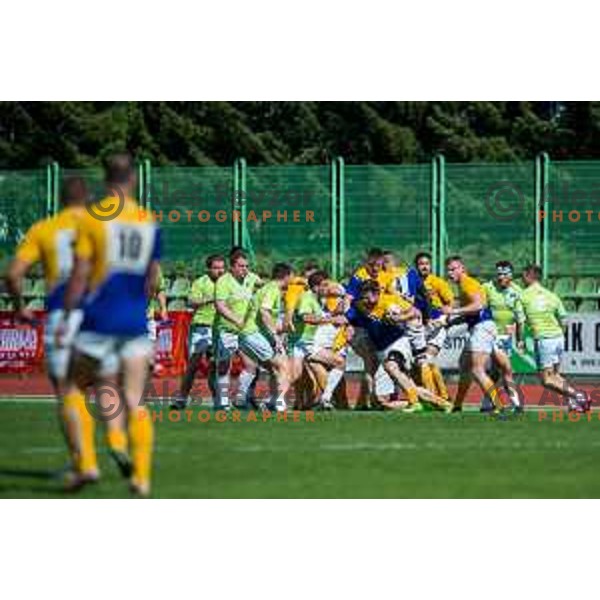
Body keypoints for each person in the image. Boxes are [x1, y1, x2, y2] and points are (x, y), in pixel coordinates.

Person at [59, 154, 161, 496]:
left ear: (106, 181)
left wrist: (67, 316)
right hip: (134, 323)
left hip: (98, 321)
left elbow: (81, 274)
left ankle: (87, 464)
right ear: (133, 179)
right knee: (135, 401)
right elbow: (154, 278)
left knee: (73, 387)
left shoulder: (92, 219)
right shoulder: (148, 220)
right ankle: (142, 478)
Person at [7, 177, 90, 478]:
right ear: (87, 198)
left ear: (61, 199)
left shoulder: (45, 229)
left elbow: (14, 275)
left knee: (67, 391)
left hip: (64, 315)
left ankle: (83, 463)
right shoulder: (103, 226)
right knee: (102, 384)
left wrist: (19, 307)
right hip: (100, 316)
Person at [347, 280, 450, 412]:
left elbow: (415, 312)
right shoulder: (359, 306)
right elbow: (346, 317)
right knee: (409, 383)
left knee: (392, 367)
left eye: (368, 297)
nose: (365, 301)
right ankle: (443, 404)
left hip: (397, 342)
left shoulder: (390, 301)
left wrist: (399, 318)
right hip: (381, 349)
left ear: (377, 294)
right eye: (363, 297)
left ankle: (414, 403)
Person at [520, 264, 588, 412]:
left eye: (523, 275)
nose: (521, 278)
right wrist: (560, 335)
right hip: (558, 337)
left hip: (544, 339)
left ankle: (578, 396)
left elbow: (520, 320)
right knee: (556, 376)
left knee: (546, 380)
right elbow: (564, 319)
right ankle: (573, 402)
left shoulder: (523, 295)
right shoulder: (552, 295)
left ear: (528, 276)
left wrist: (520, 339)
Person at [443, 256, 505, 414]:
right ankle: (457, 405)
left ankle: (498, 405)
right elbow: (471, 312)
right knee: (464, 366)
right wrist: (452, 322)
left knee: (477, 370)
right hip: (478, 327)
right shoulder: (463, 285)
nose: (451, 273)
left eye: (454, 268)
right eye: (448, 270)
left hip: (482, 328)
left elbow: (479, 306)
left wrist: (454, 311)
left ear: (462, 268)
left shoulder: (466, 282)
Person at [171, 255, 226, 409]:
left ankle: (218, 401)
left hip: (219, 328)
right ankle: (181, 398)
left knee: (215, 365)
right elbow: (191, 302)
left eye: (222, 267)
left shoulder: (228, 282)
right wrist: (209, 299)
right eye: (216, 268)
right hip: (201, 327)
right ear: (208, 269)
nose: (220, 271)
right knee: (193, 364)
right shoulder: (200, 282)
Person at [237, 263, 293, 412]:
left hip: (247, 335)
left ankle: (270, 401)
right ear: (286, 276)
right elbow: (264, 312)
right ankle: (278, 402)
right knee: (284, 365)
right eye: (291, 276)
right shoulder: (273, 289)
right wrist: (275, 336)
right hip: (252, 334)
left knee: (275, 369)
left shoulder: (266, 288)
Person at [290, 271, 349, 410]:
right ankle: (324, 399)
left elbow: (326, 314)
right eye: (325, 285)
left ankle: (317, 401)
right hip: (302, 343)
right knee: (337, 362)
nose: (328, 288)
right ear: (316, 287)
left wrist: (341, 306)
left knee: (308, 376)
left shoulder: (317, 299)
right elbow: (306, 317)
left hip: (309, 343)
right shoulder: (307, 298)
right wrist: (332, 319)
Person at [213, 249, 263, 410]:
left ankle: (240, 398)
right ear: (232, 267)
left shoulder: (251, 278)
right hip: (227, 330)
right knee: (224, 365)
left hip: (245, 332)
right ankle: (222, 402)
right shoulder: (223, 281)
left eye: (247, 266)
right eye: (241, 266)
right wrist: (236, 320)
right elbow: (220, 306)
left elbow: (266, 286)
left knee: (251, 365)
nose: (245, 269)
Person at [481, 261, 525, 412]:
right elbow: (479, 306)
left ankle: (487, 403)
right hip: (490, 335)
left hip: (505, 337)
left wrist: (519, 339)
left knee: (495, 372)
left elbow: (520, 319)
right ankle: (516, 404)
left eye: (505, 274)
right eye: (499, 274)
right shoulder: (488, 287)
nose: (501, 277)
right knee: (506, 369)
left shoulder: (517, 291)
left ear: (511, 275)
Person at [414, 251, 454, 402]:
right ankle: (429, 395)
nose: (424, 267)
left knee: (428, 359)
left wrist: (444, 318)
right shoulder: (413, 282)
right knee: (420, 363)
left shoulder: (438, 282)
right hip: (420, 325)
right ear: (417, 266)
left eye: (427, 264)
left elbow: (450, 303)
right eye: (421, 264)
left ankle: (442, 396)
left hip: (436, 325)